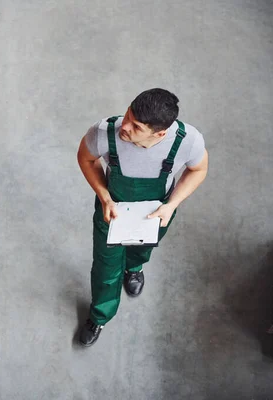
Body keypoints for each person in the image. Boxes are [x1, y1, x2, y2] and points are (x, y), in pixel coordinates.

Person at [76, 88, 208, 346]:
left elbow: (199, 168)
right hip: (112, 211)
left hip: (156, 211)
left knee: (143, 248)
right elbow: (86, 159)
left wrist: (172, 205)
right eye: (128, 114)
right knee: (106, 267)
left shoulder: (187, 140)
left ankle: (134, 269)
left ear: (160, 133)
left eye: (135, 126)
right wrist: (104, 196)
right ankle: (100, 315)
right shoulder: (103, 132)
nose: (124, 126)